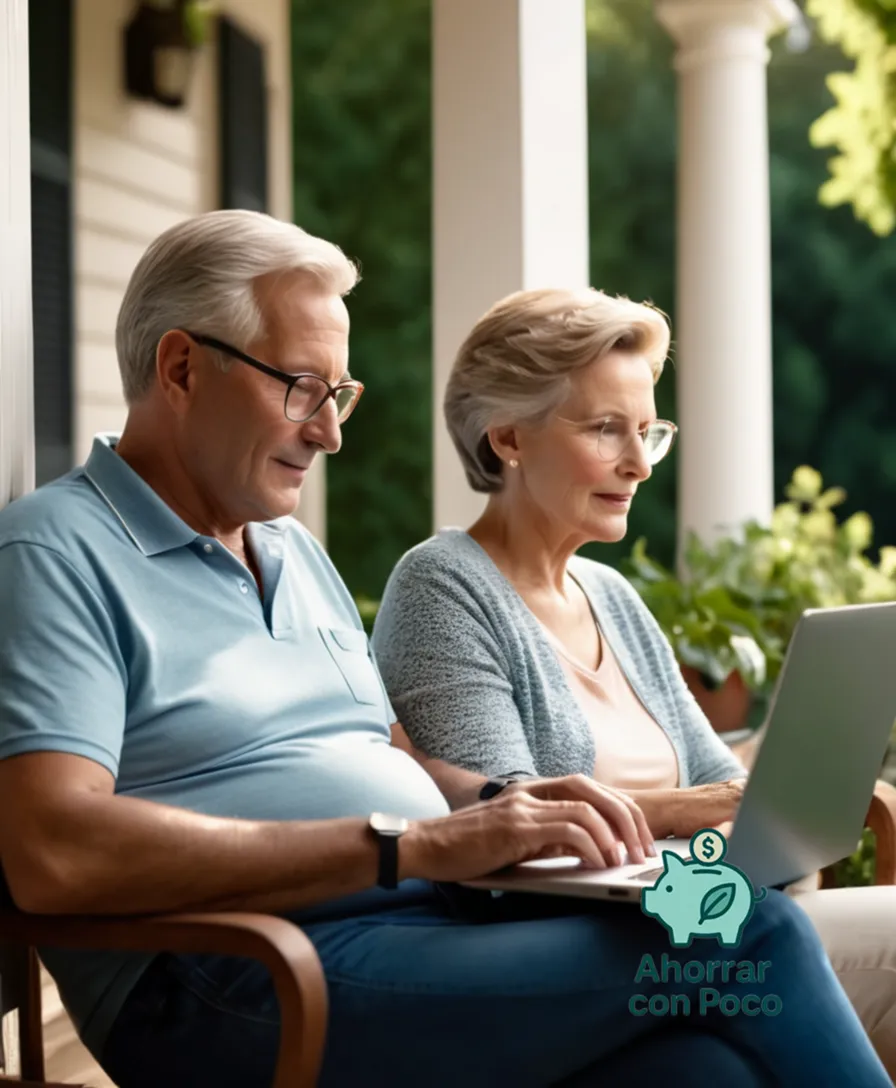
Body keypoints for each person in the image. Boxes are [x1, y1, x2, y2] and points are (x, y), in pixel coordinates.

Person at [0, 212, 889, 1088]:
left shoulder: (293, 553)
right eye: (302, 387)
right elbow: (54, 850)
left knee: (701, 1071)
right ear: (183, 367)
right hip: (238, 975)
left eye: (338, 395)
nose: (329, 432)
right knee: (747, 932)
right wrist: (406, 845)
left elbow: (397, 760)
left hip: (418, 930)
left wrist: (511, 801)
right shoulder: (57, 552)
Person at [370, 284, 896, 1079]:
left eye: (648, 432)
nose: (638, 463)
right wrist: (698, 815)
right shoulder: (442, 586)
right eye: (606, 429)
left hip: (709, 915)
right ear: (508, 435)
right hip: (589, 948)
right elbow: (512, 822)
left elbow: (724, 786)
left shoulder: (611, 594)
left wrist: (781, 821)